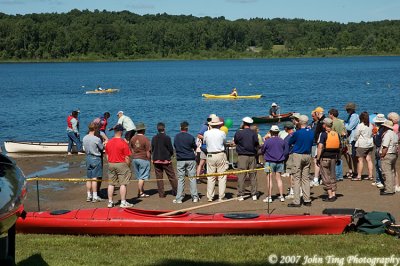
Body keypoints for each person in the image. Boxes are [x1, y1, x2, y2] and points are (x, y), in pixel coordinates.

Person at [288, 115, 314, 207]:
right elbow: (312, 142)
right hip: (307, 155)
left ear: (299, 122)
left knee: (296, 178)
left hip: (298, 155)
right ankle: (307, 199)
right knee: (305, 178)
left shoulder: (297, 133)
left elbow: (289, 142)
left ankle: (296, 201)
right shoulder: (311, 132)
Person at [105, 124, 133, 208]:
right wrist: (128, 166)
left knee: (111, 183)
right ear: (121, 132)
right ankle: (123, 201)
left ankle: (110, 202)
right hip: (121, 163)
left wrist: (110, 162)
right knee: (123, 184)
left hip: (111, 163)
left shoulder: (109, 142)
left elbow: (107, 155)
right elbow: (127, 157)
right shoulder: (123, 143)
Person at [261, 125, 289, 203]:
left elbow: (262, 150)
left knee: (269, 179)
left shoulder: (268, 141)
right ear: (278, 132)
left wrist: (264, 139)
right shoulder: (282, 140)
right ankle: (281, 196)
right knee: (279, 179)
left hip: (269, 162)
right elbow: (286, 151)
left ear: (270, 132)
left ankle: (269, 197)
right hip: (280, 161)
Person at [234, 117, 259, 201]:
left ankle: (240, 194)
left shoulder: (239, 133)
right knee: (253, 175)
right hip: (252, 156)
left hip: (242, 156)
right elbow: (256, 144)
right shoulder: (254, 133)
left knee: (241, 175)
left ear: (243, 123)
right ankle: (254, 194)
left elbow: (236, 141)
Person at [203, 116, 228, 202]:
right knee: (222, 176)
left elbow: (204, 142)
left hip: (210, 155)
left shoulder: (206, 133)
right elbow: (224, 142)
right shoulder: (222, 133)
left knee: (210, 176)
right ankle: (221, 196)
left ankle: (210, 196)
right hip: (220, 154)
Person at [173, 121, 199, 203]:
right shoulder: (190, 137)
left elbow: (175, 146)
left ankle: (179, 198)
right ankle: (194, 197)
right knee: (192, 178)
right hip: (190, 159)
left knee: (181, 179)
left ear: (180, 128)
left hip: (181, 159)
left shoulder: (176, 137)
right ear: (187, 128)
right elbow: (194, 147)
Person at [316, 118, 340, 202]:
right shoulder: (336, 134)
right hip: (334, 157)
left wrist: (318, 158)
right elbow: (339, 147)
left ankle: (330, 195)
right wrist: (339, 157)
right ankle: (334, 193)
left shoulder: (323, 134)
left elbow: (320, 147)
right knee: (333, 175)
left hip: (325, 157)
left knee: (325, 176)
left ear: (324, 125)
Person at [151, 122, 178, 198]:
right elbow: (170, 148)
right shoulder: (167, 137)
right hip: (165, 160)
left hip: (156, 160)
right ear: (164, 129)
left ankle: (161, 194)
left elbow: (152, 148)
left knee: (159, 178)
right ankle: (176, 191)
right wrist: (171, 155)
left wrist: (153, 157)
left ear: (157, 129)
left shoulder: (154, 138)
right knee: (171, 176)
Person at [82, 122, 104, 203]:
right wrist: (104, 143)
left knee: (89, 177)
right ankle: (95, 196)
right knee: (95, 177)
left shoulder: (84, 138)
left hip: (88, 157)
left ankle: (89, 195)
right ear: (95, 129)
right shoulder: (96, 139)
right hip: (95, 158)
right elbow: (101, 148)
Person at [129, 122, 151, 198]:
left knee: (139, 177)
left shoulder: (133, 138)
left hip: (135, 158)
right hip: (143, 158)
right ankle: (140, 192)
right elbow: (148, 151)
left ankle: (141, 190)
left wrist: (133, 156)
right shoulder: (145, 139)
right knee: (142, 177)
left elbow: (131, 148)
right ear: (143, 130)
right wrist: (149, 159)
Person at [352, 111, 374, 181]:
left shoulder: (360, 125)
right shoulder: (371, 125)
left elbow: (356, 135)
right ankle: (370, 175)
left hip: (362, 144)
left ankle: (359, 176)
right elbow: (372, 133)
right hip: (370, 144)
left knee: (360, 160)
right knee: (369, 159)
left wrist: (354, 140)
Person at [379, 120, 399, 195]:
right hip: (394, 154)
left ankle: (389, 190)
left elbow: (385, 146)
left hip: (388, 154)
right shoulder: (394, 133)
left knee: (386, 172)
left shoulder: (387, 134)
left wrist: (382, 155)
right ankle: (392, 188)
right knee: (392, 172)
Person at [328, 108, 346, 181]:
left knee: (334, 159)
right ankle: (340, 175)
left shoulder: (333, 123)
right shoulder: (341, 122)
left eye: (329, 114)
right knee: (339, 158)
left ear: (332, 115)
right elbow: (345, 132)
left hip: (335, 142)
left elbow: (331, 133)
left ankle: (337, 175)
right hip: (341, 142)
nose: (329, 116)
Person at [310, 106, 326, 187]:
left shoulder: (321, 122)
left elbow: (320, 132)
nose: (313, 116)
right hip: (318, 143)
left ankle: (316, 179)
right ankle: (321, 178)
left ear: (317, 113)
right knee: (318, 160)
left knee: (317, 160)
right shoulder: (321, 121)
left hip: (318, 143)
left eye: (315, 114)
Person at [344, 102, 360, 178]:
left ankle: (355, 171)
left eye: (348, 109)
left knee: (353, 155)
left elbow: (349, 127)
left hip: (353, 138)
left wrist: (344, 124)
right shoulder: (351, 116)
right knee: (350, 155)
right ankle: (353, 170)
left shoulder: (354, 116)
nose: (347, 110)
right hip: (351, 137)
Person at [372, 114, 386, 189]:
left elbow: (378, 141)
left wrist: (374, 135)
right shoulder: (379, 129)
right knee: (377, 165)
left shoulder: (382, 129)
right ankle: (378, 180)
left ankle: (381, 181)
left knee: (380, 165)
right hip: (378, 148)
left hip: (380, 148)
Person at [387, 112, 400, 192]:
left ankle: (394, 185)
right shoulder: (397, 126)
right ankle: (397, 185)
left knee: (391, 168)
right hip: (396, 148)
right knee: (394, 168)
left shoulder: (393, 128)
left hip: (393, 148)